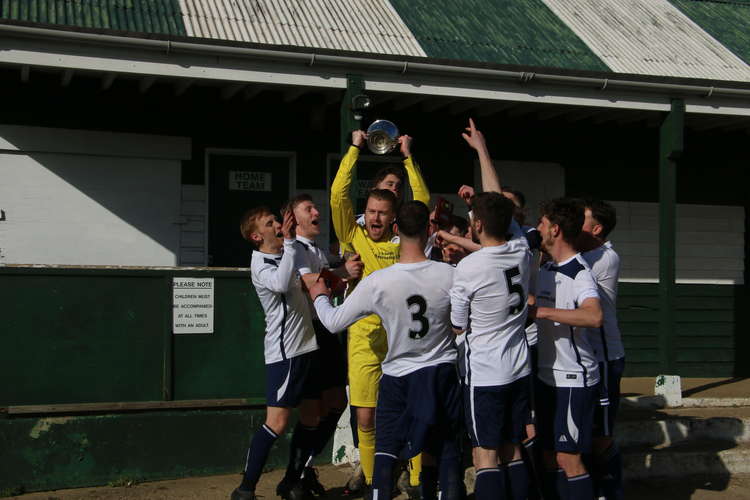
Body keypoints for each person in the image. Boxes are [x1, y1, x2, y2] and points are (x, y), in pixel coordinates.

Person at [308, 201, 463, 500]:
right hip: (440, 373)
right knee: (444, 450)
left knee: (387, 452)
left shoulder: (379, 281)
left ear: (395, 229)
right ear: (429, 230)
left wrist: (319, 296)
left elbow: (333, 322)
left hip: (398, 376)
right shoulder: (450, 275)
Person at [330, 130, 429, 494]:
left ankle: (418, 479)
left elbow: (422, 199)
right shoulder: (351, 238)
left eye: (382, 213)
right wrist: (354, 148)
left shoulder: (404, 240)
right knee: (366, 416)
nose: (374, 218)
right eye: (370, 211)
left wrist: (407, 157)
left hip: (402, 339)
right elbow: (339, 195)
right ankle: (374, 483)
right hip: (363, 340)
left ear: (394, 218)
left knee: (414, 412)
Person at [231, 207, 320, 500]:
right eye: (271, 224)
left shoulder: (287, 251)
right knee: (277, 422)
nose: (278, 225)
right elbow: (282, 284)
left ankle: (291, 482)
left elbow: (304, 283)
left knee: (311, 416)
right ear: (257, 236)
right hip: (286, 352)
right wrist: (292, 241)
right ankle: (246, 489)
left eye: (277, 220)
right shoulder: (260, 263)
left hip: (307, 346)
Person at [450, 192, 532, 500]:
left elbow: (458, 324)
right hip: (519, 366)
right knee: (512, 449)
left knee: (485, 456)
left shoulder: (469, 267)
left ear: (479, 224)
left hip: (485, 374)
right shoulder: (522, 250)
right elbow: (508, 220)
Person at [284, 193, 365, 495]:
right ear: (293, 219)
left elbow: (329, 266)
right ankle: (295, 477)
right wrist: (343, 273)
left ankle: (303, 469)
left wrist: (344, 261)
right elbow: (310, 283)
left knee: (335, 404)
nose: (316, 212)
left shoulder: (314, 249)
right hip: (307, 336)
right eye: (309, 209)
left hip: (326, 333)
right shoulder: (293, 250)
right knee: (310, 410)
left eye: (316, 207)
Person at [532, 198, 604, 500]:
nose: (537, 229)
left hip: (573, 380)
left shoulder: (580, 273)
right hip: (547, 377)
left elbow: (594, 315)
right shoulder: (546, 266)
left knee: (569, 459)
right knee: (548, 455)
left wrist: (543, 312)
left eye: (542, 224)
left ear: (555, 229)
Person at [578, 199, 625, 500]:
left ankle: (611, 491)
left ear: (596, 228)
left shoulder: (605, 257)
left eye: (580, 220)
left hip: (606, 357)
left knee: (602, 436)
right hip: (584, 358)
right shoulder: (584, 253)